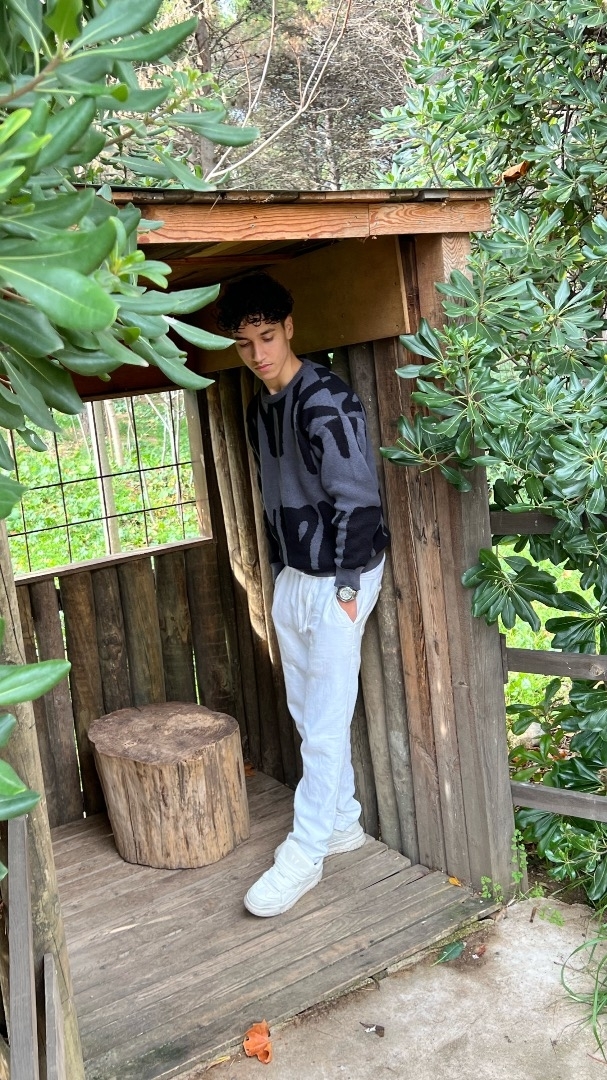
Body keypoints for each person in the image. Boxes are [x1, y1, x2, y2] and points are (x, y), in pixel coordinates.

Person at [216, 272, 390, 918]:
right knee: (305, 713)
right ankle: (341, 823)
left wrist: (344, 585)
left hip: (341, 577)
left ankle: (305, 852)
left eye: (267, 336)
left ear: (289, 328)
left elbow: (359, 498)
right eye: (244, 343)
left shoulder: (326, 399)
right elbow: (275, 492)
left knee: (322, 724)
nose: (257, 353)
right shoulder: (260, 408)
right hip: (295, 573)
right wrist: (282, 572)